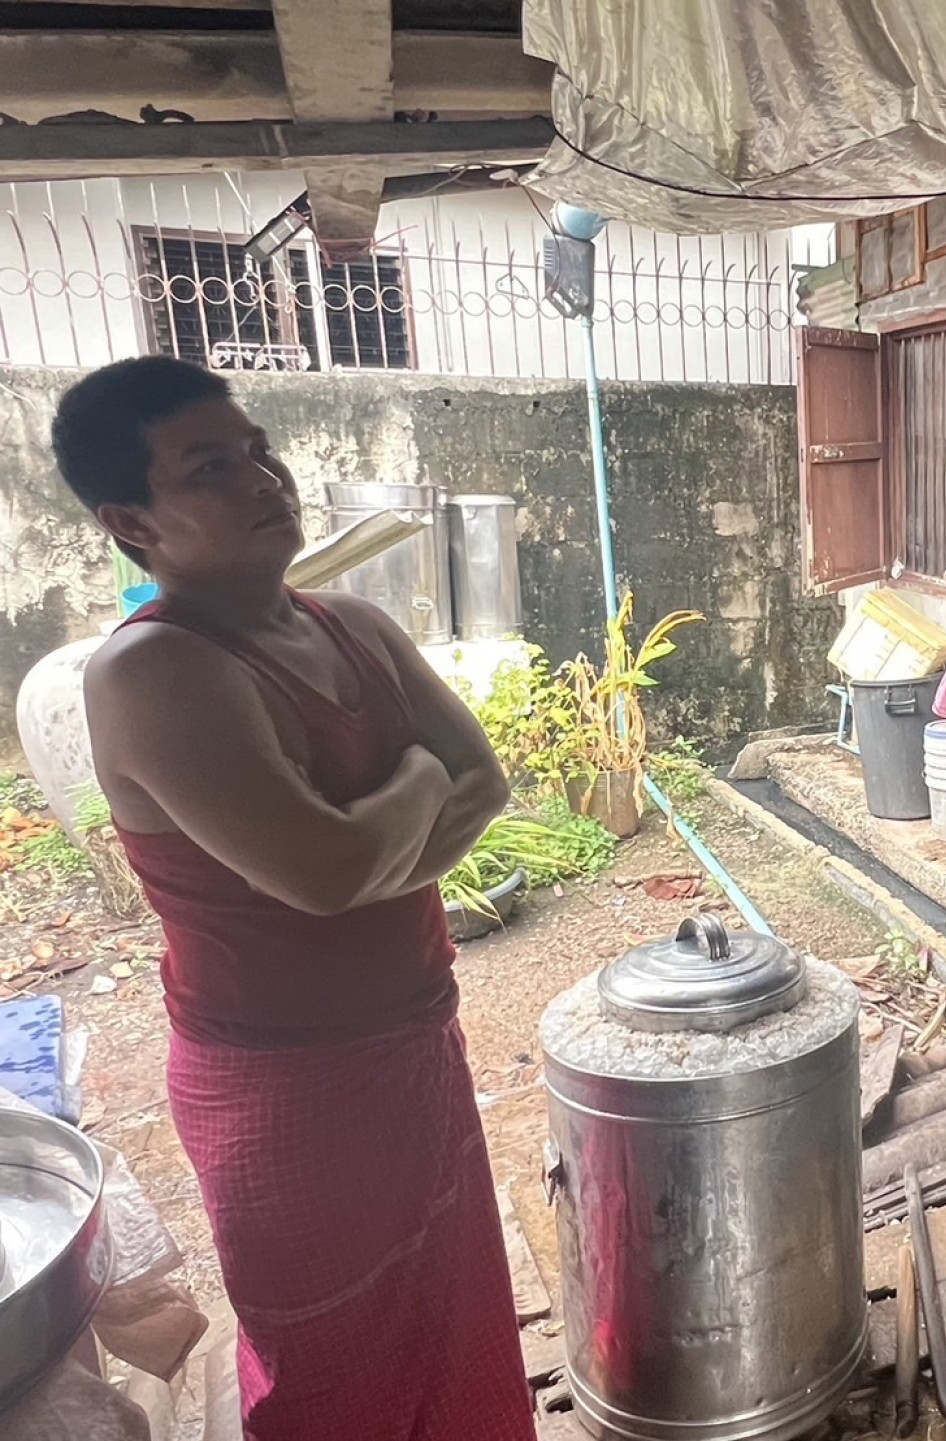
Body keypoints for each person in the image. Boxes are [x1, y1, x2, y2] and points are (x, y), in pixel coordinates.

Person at [52, 358, 535, 1441]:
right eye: (210, 467)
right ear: (131, 522)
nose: (263, 478)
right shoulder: (155, 671)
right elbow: (328, 872)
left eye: (258, 450)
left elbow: (483, 784)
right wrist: (416, 780)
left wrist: (364, 838)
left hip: (418, 1039)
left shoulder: (355, 624)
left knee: (453, 1321)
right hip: (283, 1085)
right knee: (333, 1371)